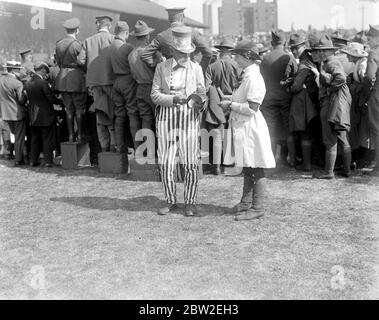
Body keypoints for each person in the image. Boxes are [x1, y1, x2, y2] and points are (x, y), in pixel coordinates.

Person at [151, 26, 206, 217]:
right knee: (166, 163)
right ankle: (170, 200)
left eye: (189, 53)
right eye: (183, 53)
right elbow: (155, 95)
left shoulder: (197, 69)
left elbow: (202, 92)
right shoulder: (161, 67)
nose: (186, 56)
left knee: (190, 163)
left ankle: (190, 202)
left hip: (189, 121)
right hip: (166, 121)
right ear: (174, 51)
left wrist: (200, 102)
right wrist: (173, 99)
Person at [219, 40, 276, 221]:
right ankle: (245, 202)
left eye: (237, 55)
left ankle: (257, 207)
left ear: (247, 57)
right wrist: (231, 99)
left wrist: (231, 104)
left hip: (251, 127)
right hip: (243, 126)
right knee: (247, 165)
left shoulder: (254, 78)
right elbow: (243, 97)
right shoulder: (246, 75)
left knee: (256, 167)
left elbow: (252, 107)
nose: (234, 58)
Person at [311, 34, 352, 179]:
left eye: (322, 50)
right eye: (318, 50)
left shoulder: (331, 63)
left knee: (330, 138)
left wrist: (329, 89)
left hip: (331, 104)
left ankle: (329, 172)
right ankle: (346, 170)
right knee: (342, 137)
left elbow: (341, 78)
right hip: (337, 105)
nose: (319, 53)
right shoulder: (330, 61)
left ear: (329, 51)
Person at [260, 30, 298, 168]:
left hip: (269, 98)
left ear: (271, 43)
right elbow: (296, 76)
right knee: (289, 129)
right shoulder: (289, 58)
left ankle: (271, 160)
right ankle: (292, 159)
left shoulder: (265, 58)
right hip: (285, 98)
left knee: (271, 129)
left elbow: (261, 77)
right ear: (285, 42)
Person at [78, 15, 115, 152]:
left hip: (94, 83)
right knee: (112, 114)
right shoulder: (113, 40)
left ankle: (104, 149)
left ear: (97, 25)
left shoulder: (87, 41)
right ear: (109, 26)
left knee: (100, 116)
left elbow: (81, 61)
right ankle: (113, 147)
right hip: (111, 82)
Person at [205, 37, 241, 175]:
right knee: (232, 134)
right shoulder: (237, 66)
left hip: (217, 104)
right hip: (234, 102)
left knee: (218, 134)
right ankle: (229, 163)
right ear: (231, 52)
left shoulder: (212, 66)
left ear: (220, 51)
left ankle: (217, 166)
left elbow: (207, 87)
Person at [141, 7, 212, 74]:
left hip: (169, 75)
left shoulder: (161, 36)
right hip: (189, 73)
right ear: (183, 17)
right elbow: (208, 52)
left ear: (169, 19)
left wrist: (159, 65)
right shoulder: (193, 33)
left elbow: (144, 55)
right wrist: (200, 70)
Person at [288, 34, 319, 172]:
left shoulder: (304, 61)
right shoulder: (308, 58)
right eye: (292, 48)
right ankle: (311, 161)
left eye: (296, 47)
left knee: (305, 132)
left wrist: (289, 86)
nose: (294, 51)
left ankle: (306, 164)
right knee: (309, 132)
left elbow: (296, 86)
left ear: (304, 46)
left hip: (305, 102)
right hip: (312, 99)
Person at [55, 17, 87, 143]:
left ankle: (70, 136)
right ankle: (80, 135)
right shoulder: (77, 45)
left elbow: (58, 62)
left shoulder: (58, 45)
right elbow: (83, 63)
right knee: (80, 108)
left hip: (63, 80)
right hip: (76, 79)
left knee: (68, 108)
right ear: (77, 30)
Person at [128, 20, 156, 155]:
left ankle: (147, 151)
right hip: (153, 88)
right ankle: (158, 151)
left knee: (146, 119)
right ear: (146, 37)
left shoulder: (131, 54)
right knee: (159, 119)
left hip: (139, 88)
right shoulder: (149, 52)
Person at [24, 62, 60, 167]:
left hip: (33, 116)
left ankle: (33, 160)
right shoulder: (43, 83)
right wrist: (59, 100)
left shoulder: (28, 83)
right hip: (45, 115)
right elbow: (50, 98)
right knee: (47, 138)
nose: (46, 73)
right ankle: (48, 161)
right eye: (45, 71)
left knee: (34, 139)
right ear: (42, 69)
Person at [341, 42, 371, 168]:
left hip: (361, 98)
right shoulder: (358, 64)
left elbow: (367, 83)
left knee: (362, 129)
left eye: (349, 54)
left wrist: (362, 100)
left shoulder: (362, 64)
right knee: (358, 128)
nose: (347, 57)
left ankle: (364, 159)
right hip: (357, 97)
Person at [0, 61, 27, 166]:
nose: (20, 72)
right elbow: (21, 100)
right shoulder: (17, 83)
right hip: (17, 113)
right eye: (19, 70)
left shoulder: (1, 80)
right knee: (19, 138)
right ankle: (19, 159)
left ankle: (12, 154)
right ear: (14, 70)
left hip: (5, 113)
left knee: (13, 136)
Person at [361, 25, 379, 176]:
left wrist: (365, 93)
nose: (367, 39)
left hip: (377, 95)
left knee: (377, 130)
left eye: (370, 37)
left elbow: (369, 77)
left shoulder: (374, 53)